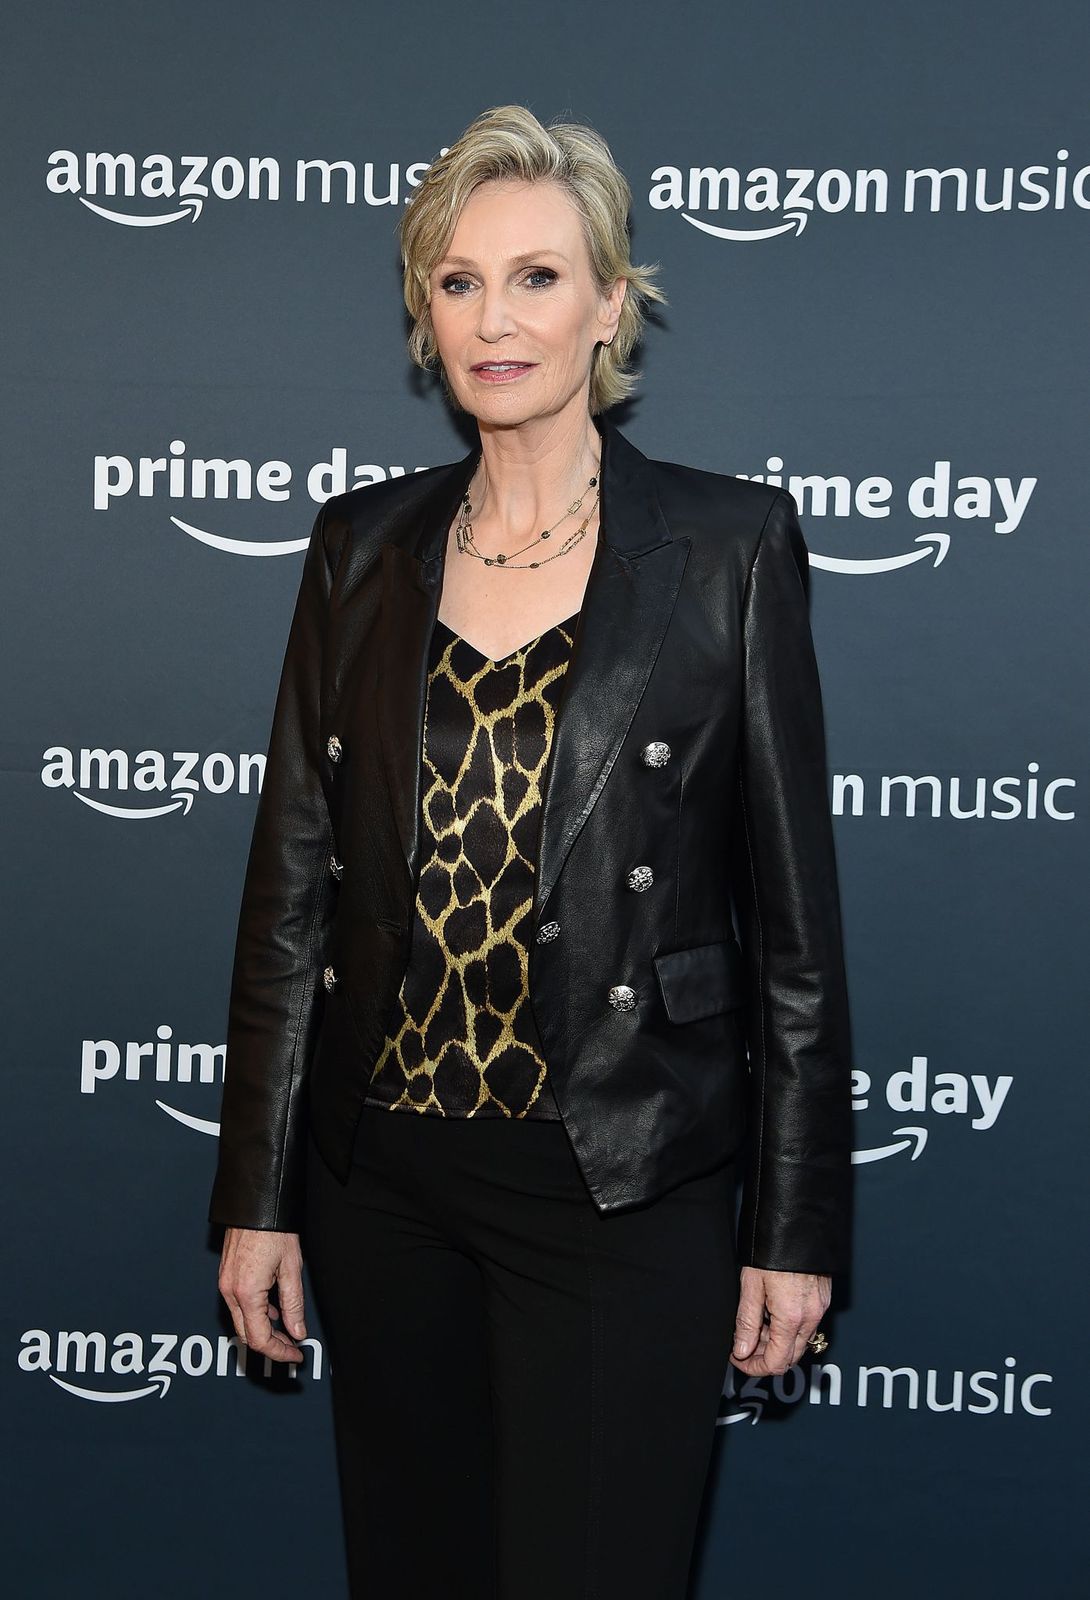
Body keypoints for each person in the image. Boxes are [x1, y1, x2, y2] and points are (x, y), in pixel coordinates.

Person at [210, 103, 853, 1600]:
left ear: (609, 305)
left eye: (538, 277)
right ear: (424, 317)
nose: (495, 318)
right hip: (387, 1186)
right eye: (457, 280)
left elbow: (793, 930)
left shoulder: (727, 546)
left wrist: (795, 1220)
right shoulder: (357, 551)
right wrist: (257, 1188)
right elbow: (291, 890)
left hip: (620, 1177)